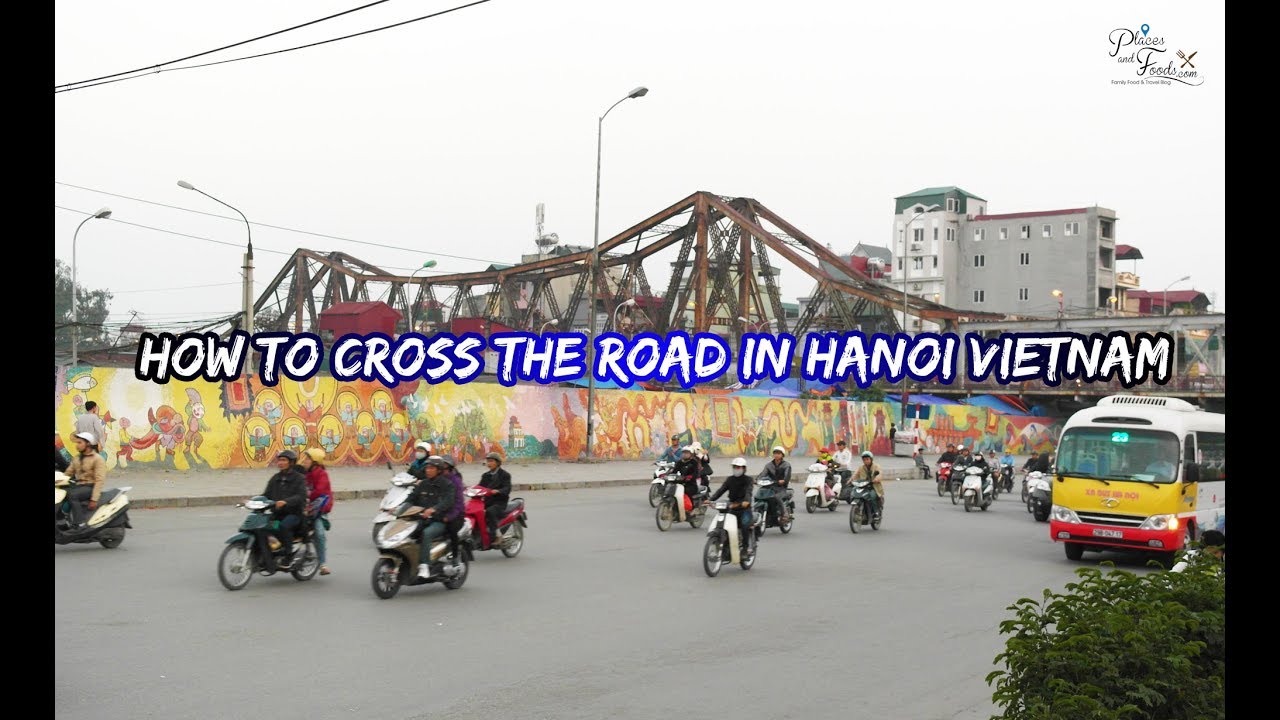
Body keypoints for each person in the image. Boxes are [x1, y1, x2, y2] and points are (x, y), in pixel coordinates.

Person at [261, 450, 308, 569]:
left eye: (284, 460)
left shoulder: (299, 478)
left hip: (295, 513)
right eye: (279, 460)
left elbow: (301, 496)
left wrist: (286, 501)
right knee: (262, 526)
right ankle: (268, 554)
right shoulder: (275, 478)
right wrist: (253, 501)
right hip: (278, 513)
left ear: (291, 463)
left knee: (283, 526)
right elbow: (266, 495)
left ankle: (289, 555)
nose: (280, 463)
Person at [410, 457, 456, 578]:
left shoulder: (447, 485)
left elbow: (448, 501)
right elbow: (411, 498)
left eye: (431, 468)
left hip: (439, 520)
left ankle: (424, 565)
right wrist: (395, 508)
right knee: (409, 532)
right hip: (422, 519)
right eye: (427, 468)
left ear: (439, 470)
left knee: (426, 533)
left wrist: (434, 509)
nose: (428, 470)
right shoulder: (423, 484)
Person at [299, 448, 334, 576]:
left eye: (307, 459)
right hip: (305, 507)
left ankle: (323, 564)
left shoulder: (322, 474)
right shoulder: (305, 474)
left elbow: (319, 492)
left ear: (315, 462)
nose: (305, 461)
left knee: (319, 533)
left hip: (318, 509)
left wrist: (307, 494)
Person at [706, 457, 754, 548]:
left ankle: (745, 549)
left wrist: (746, 501)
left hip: (744, 508)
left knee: (744, 526)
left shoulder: (748, 480)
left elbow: (749, 491)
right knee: (724, 523)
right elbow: (721, 490)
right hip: (732, 505)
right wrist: (711, 499)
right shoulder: (730, 479)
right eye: (735, 467)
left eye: (738, 467)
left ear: (744, 468)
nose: (736, 469)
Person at [63, 432, 106, 528]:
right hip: (79, 486)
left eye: (79, 442)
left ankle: (80, 522)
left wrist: (94, 499)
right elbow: (68, 473)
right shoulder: (77, 458)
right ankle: (64, 519)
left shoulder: (97, 459)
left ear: (88, 444)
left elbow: (100, 480)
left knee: (72, 495)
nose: (77, 445)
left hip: (90, 487)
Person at [479, 452, 512, 545]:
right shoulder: (485, 475)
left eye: (491, 461)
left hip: (499, 503)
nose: (489, 463)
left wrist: (498, 491)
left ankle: (496, 536)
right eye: (488, 461)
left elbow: (507, 488)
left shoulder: (505, 475)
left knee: (490, 511)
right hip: (487, 501)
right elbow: (480, 487)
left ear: (497, 462)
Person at [756, 446, 792, 525]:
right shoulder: (769, 465)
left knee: (777, 497)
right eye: (775, 453)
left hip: (781, 488)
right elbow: (763, 474)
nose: (776, 455)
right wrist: (757, 480)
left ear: (782, 455)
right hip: (770, 486)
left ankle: (785, 514)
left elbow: (787, 477)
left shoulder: (786, 465)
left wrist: (783, 481)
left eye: (779, 453)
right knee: (758, 495)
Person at [851, 450, 884, 516]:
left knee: (872, 496)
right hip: (863, 486)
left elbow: (880, 474)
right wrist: (850, 480)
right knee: (854, 492)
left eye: (867, 459)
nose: (866, 461)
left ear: (871, 459)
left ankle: (876, 511)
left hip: (874, 487)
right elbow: (856, 474)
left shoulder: (876, 466)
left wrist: (876, 479)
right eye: (864, 460)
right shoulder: (861, 467)